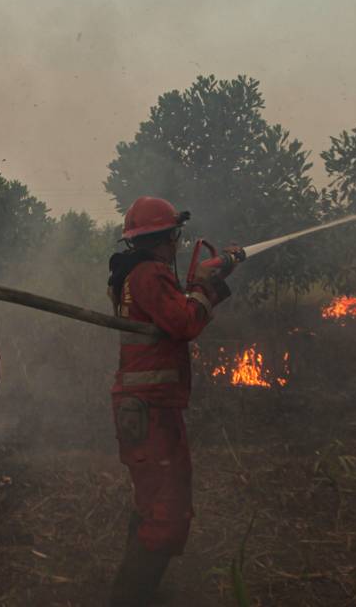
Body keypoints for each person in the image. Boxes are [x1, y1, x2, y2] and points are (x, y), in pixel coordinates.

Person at [106, 196, 240, 606]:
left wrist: (207, 284)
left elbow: (176, 313)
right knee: (166, 512)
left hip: (151, 406)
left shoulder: (140, 273)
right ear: (163, 239)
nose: (177, 245)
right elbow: (184, 322)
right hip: (150, 409)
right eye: (174, 236)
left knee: (156, 502)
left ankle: (139, 591)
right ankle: (131, 599)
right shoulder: (148, 275)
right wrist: (202, 283)